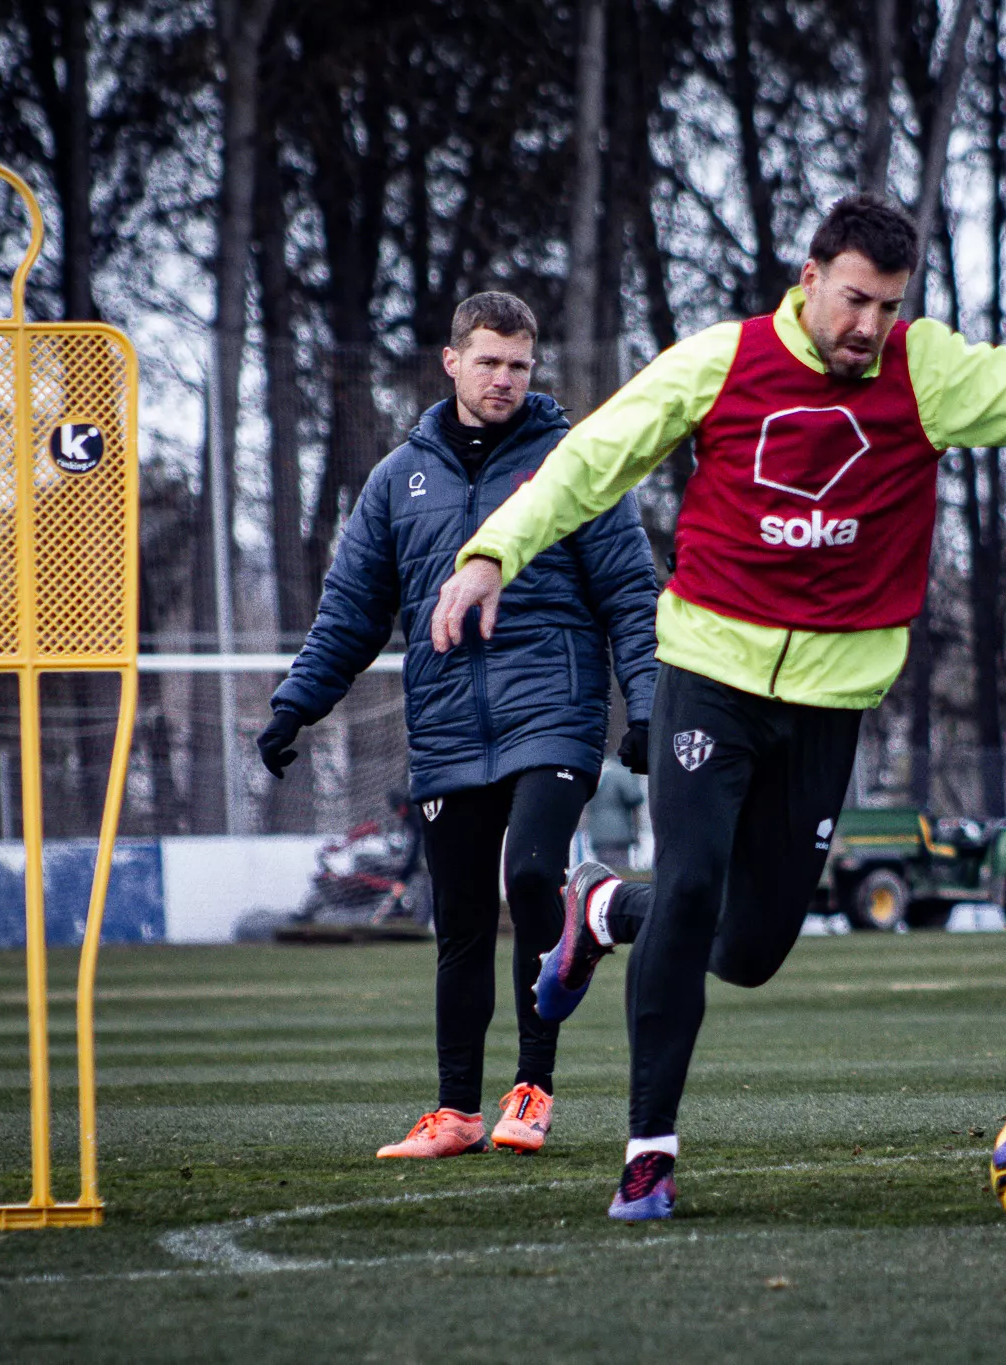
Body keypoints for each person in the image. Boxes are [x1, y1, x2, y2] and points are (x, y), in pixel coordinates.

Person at [428, 196, 1006, 1218]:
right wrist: (490, 553)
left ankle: (603, 909)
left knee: (748, 950)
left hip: (828, 707)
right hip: (708, 673)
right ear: (807, 278)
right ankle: (647, 1154)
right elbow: (587, 462)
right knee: (693, 887)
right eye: (851, 299)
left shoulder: (928, 373)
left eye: (886, 304)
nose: (866, 324)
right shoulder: (720, 364)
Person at [258, 291, 659, 1159]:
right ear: (451, 362)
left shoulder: (572, 460)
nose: (506, 378)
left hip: (552, 710)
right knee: (463, 921)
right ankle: (454, 1111)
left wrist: (650, 702)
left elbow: (632, 588)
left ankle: (532, 1087)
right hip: (444, 727)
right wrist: (297, 703)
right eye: (489, 361)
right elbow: (350, 613)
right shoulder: (396, 478)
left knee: (532, 873)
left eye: (520, 364)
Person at [585, 755, 646, 869]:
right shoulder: (618, 772)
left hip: (597, 834)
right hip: (618, 834)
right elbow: (634, 796)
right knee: (619, 874)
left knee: (603, 873)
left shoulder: (594, 771)